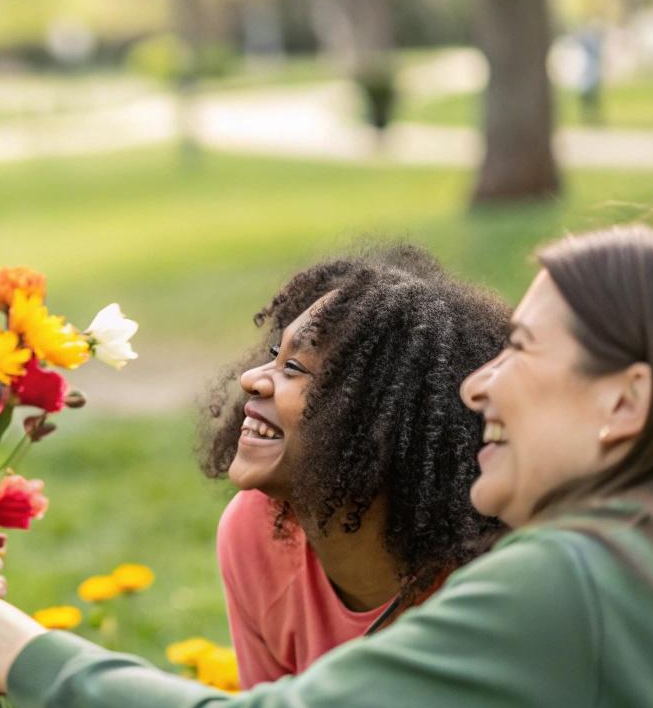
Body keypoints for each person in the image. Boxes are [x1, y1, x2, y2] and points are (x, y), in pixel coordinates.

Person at [0, 223, 653, 708]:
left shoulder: (575, 580)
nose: (477, 386)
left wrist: (16, 649)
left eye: (524, 350)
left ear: (628, 402)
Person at [204, 246, 507, 685]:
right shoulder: (254, 532)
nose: (252, 378)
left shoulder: (485, 584)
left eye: (292, 367)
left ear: (377, 422)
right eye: (274, 353)